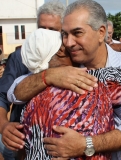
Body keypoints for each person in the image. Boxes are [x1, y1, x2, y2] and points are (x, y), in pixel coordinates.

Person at [8, 0, 121, 159]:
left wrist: (85, 144)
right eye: (64, 35)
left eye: (77, 33)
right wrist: (49, 75)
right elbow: (14, 92)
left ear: (101, 32)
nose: (69, 43)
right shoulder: (75, 73)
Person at [0, 1, 97, 160]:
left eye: (52, 30)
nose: (44, 34)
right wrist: (4, 126)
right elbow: (4, 95)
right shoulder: (20, 56)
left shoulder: (73, 56)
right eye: (41, 28)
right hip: (21, 142)